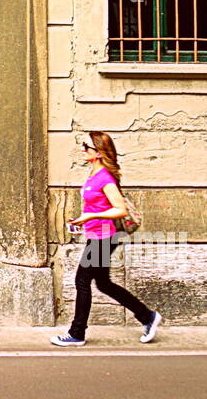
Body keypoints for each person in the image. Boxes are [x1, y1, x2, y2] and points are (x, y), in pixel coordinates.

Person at [51, 130, 162, 346]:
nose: (83, 150)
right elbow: (95, 205)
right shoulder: (93, 174)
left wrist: (92, 215)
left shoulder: (105, 178)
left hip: (105, 238)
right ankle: (147, 316)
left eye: (87, 147)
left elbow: (119, 210)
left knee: (82, 281)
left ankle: (77, 333)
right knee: (103, 284)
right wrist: (83, 220)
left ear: (99, 152)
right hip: (96, 235)